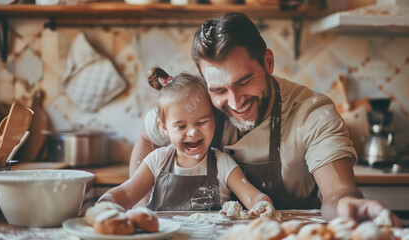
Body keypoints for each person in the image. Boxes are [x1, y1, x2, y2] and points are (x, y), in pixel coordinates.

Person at [129, 13, 402, 226]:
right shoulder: (196, 106)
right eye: (220, 90)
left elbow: (337, 193)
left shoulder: (311, 113)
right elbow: (146, 135)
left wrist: (348, 206)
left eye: (244, 82)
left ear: (268, 62)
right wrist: (140, 205)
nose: (235, 102)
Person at [99, 67, 274, 214]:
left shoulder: (223, 164)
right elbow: (126, 194)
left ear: (214, 122)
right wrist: (107, 202)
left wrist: (261, 204)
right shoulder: (157, 161)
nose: (192, 132)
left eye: (201, 122)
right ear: (165, 128)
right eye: (181, 126)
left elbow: (252, 196)